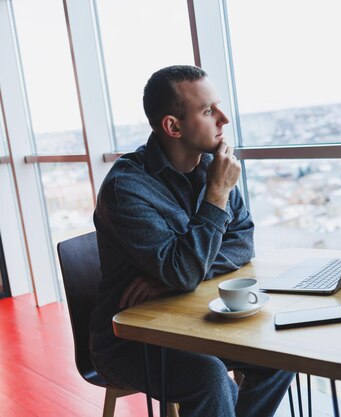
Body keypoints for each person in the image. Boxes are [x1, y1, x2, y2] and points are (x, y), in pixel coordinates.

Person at [90, 65, 294, 417]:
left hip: (192, 319)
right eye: (207, 110)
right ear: (173, 126)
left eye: (217, 106)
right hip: (130, 338)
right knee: (209, 377)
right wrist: (216, 195)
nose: (224, 118)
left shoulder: (210, 165)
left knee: (280, 350)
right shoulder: (126, 189)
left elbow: (243, 242)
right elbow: (183, 271)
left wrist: (170, 279)